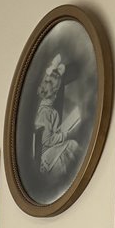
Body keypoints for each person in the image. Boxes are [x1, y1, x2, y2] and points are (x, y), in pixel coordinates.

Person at [30, 53, 85, 183]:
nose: (56, 95)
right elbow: (47, 141)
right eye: (56, 91)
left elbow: (50, 134)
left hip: (51, 149)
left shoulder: (49, 111)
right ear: (53, 93)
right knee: (73, 145)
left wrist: (60, 132)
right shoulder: (46, 113)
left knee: (73, 145)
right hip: (46, 156)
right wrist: (65, 134)